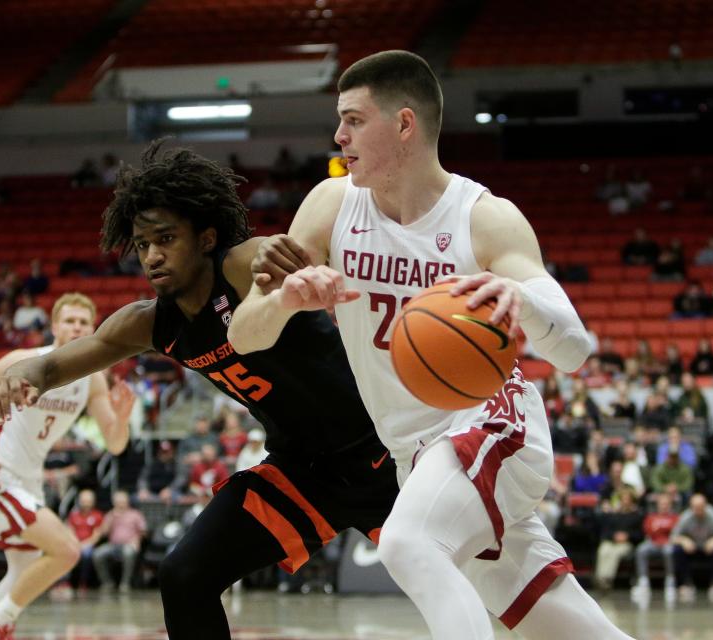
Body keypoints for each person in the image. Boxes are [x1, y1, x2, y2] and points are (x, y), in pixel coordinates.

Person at [229, 50, 634, 640]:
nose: (338, 135)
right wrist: (287, 299)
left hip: (492, 421)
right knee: (559, 620)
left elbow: (574, 346)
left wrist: (522, 302)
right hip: (413, 453)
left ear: (404, 124)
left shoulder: (485, 219)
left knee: (409, 543)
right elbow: (243, 335)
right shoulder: (331, 204)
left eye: (353, 119)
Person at [0, 143, 399, 640]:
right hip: (302, 474)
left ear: (206, 238)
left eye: (166, 238)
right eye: (142, 244)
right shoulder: (151, 323)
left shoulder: (241, 265)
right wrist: (22, 374)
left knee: (487, 577)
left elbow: (265, 252)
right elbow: (55, 364)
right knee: (184, 575)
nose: (153, 255)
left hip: (385, 455)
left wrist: (272, 253)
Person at [0, 293, 134, 640]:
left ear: (93, 329)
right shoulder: (26, 361)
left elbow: (115, 443)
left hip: (29, 481)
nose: (76, 327)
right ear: (54, 327)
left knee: (21, 576)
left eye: (83, 322)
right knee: (67, 550)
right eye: (69, 321)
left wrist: (123, 418)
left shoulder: (94, 378)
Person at [670, 493, 713, 603]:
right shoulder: (685, 517)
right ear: (691, 507)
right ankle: (686, 584)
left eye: (701, 507)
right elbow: (672, 538)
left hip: (709, 549)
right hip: (692, 548)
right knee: (678, 550)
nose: (698, 511)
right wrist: (684, 540)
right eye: (695, 508)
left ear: (706, 506)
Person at [92, 490, 147, 593]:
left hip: (129, 545)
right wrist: (111, 518)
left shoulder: (135, 514)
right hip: (113, 545)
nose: (120, 504)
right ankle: (107, 582)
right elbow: (104, 532)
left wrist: (136, 539)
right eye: (118, 502)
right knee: (97, 554)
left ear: (127, 502)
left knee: (128, 553)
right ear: (114, 503)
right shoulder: (110, 514)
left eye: (122, 501)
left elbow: (144, 532)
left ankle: (125, 583)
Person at [630, 493, 680, 605]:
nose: (664, 506)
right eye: (662, 504)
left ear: (670, 505)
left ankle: (670, 581)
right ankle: (643, 582)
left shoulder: (675, 517)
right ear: (657, 505)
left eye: (666, 504)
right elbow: (648, 531)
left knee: (669, 551)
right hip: (652, 542)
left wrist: (660, 529)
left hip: (668, 543)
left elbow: (676, 532)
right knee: (641, 550)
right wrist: (663, 530)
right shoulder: (651, 517)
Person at [593, 487, 643, 590]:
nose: (625, 502)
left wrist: (627, 536)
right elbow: (606, 532)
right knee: (604, 550)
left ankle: (606, 579)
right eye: (623, 499)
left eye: (627, 499)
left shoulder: (637, 516)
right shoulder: (614, 515)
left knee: (615, 553)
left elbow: (640, 535)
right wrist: (614, 536)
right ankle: (599, 577)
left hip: (627, 543)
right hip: (612, 541)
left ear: (632, 501)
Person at [66, 489, 104, 590]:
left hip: (89, 544)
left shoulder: (98, 515)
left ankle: (83, 581)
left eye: (88, 501)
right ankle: (64, 582)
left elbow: (96, 536)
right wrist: (76, 544)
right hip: (74, 543)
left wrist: (83, 545)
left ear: (93, 502)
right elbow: (70, 532)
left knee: (86, 554)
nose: (86, 504)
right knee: (65, 552)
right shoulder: (73, 515)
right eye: (83, 501)